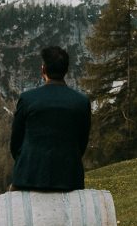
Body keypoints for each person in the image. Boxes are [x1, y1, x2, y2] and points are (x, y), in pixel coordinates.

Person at [9, 46, 91, 191]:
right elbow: (81, 143)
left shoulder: (27, 99)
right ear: (66, 71)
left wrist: (28, 162)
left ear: (43, 69)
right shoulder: (82, 102)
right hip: (69, 179)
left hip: (28, 177)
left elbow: (15, 142)